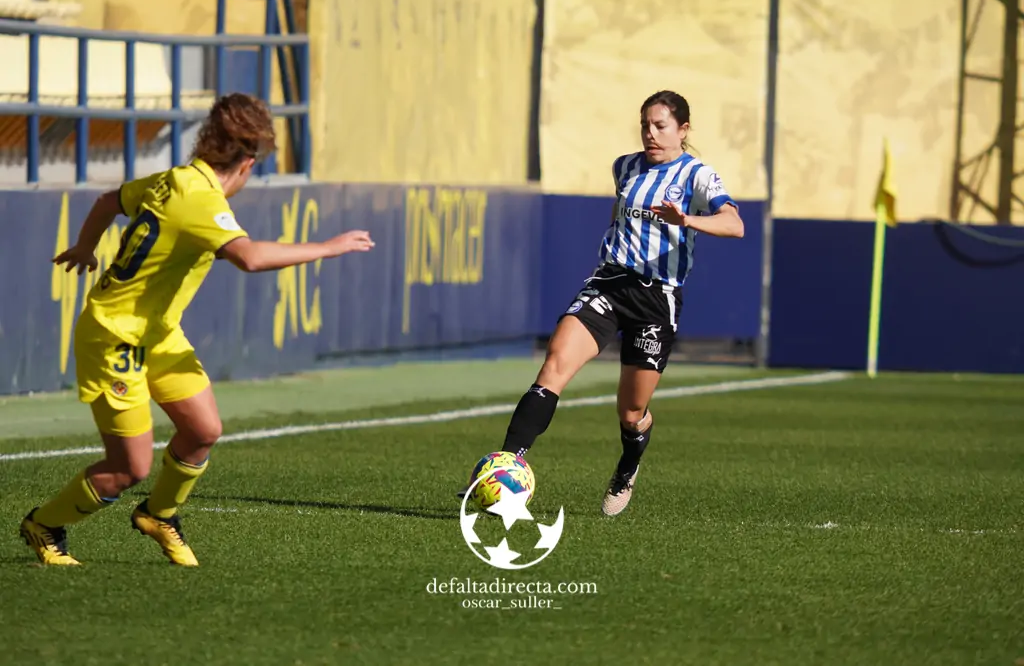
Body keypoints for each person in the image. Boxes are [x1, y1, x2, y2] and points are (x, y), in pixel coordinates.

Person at [19, 93, 375, 566]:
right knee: (130, 467)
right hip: (115, 338)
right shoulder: (200, 198)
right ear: (247, 163)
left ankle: (158, 515)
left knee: (203, 429)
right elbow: (249, 258)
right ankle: (43, 525)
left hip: (158, 334)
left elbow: (109, 201)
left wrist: (87, 247)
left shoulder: (176, 180)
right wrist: (328, 247)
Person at [459, 90, 744, 516]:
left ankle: (628, 466)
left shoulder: (696, 176)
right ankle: (507, 464)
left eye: (661, 126)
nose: (650, 133)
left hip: (656, 298)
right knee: (554, 366)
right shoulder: (625, 167)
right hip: (609, 284)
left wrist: (686, 220)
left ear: (683, 130)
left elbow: (734, 224)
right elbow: (619, 212)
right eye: (645, 124)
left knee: (631, 413)